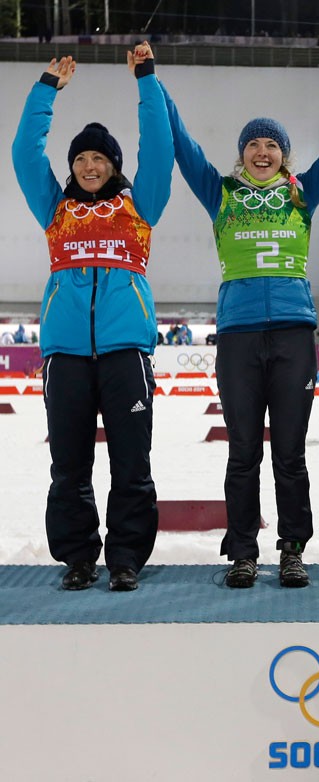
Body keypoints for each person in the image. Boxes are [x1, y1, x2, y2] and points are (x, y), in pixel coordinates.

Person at [159, 62, 319, 589]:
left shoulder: (303, 195)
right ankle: (242, 552)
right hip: (237, 335)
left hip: (292, 335)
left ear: (284, 156)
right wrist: (153, 84)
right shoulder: (222, 195)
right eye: (254, 145)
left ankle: (292, 549)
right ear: (242, 155)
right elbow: (184, 148)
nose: (262, 152)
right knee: (242, 452)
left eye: (272, 146)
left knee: (290, 454)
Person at [12, 44, 174, 592]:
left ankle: (127, 556)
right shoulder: (55, 208)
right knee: (69, 466)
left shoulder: (139, 207)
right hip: (66, 354)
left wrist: (146, 81)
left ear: (113, 166)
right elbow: (22, 153)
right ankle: (78, 557)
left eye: (99, 159)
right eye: (81, 158)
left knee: (132, 463)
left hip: (126, 350)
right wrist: (45, 89)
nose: (88, 166)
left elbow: (160, 149)